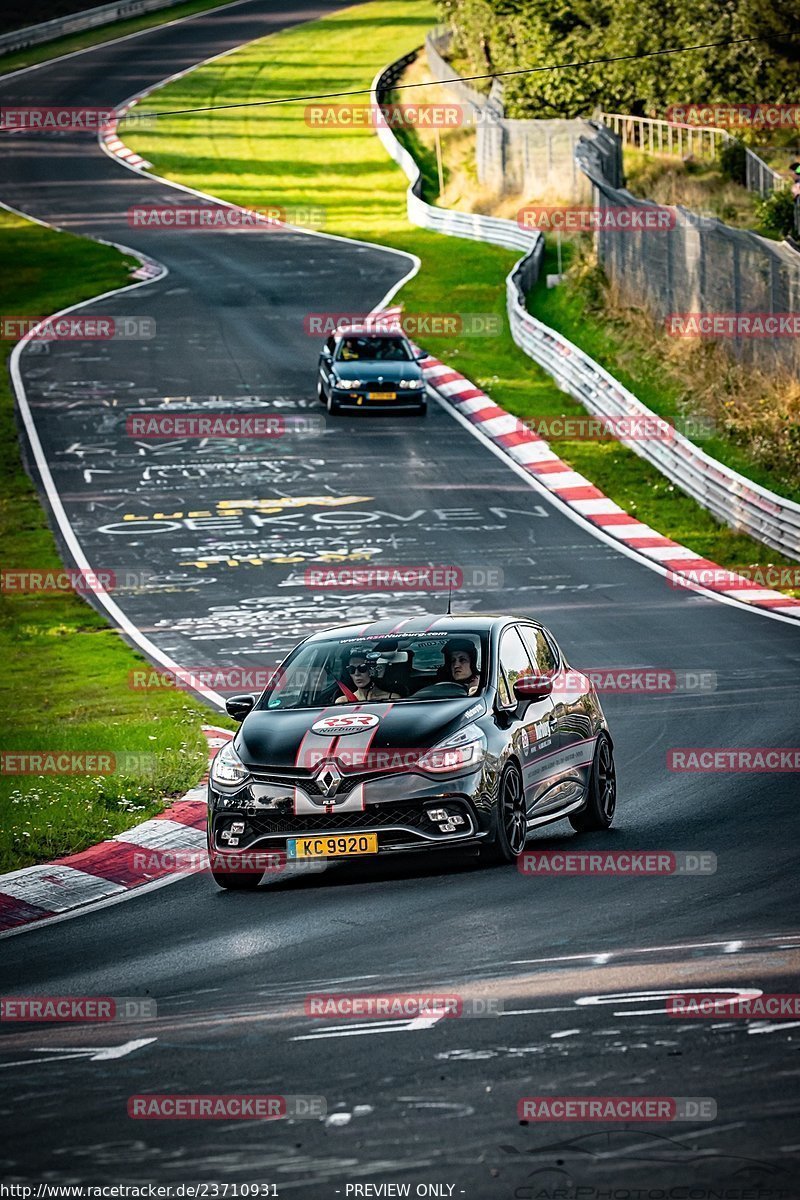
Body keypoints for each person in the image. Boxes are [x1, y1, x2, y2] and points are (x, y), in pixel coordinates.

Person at [335, 649, 401, 704]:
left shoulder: (392, 699)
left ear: (372, 671)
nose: (356, 673)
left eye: (362, 668)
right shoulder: (342, 701)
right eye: (351, 669)